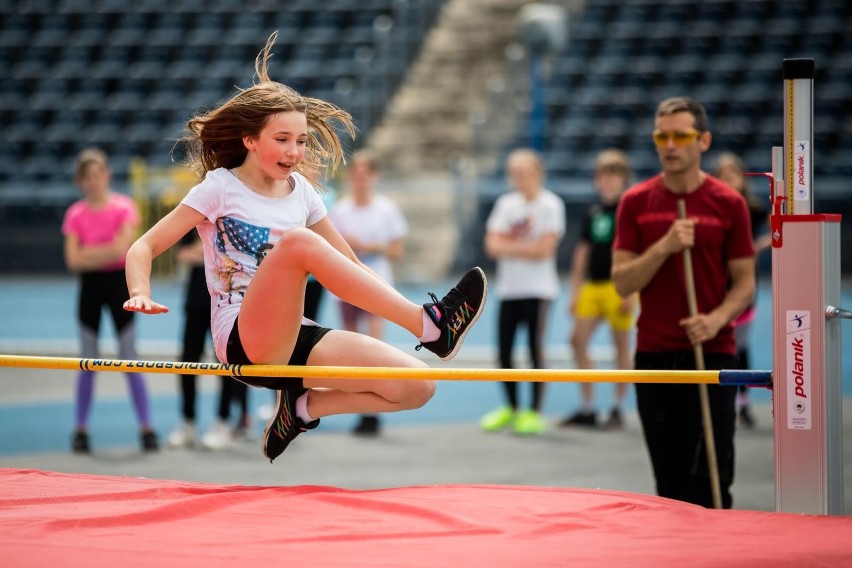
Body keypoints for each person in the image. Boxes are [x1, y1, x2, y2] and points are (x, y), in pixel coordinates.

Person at [123, 32, 487, 463]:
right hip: (243, 337)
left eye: (300, 140)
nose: (294, 151)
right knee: (298, 244)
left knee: (417, 386)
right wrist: (140, 291)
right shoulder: (220, 187)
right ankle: (430, 326)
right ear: (249, 140)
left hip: (294, 333)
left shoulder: (304, 194)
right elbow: (143, 247)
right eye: (282, 139)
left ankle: (300, 408)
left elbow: (349, 268)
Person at [611, 96, 755, 508]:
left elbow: (745, 284)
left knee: (712, 479)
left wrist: (717, 319)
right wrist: (665, 246)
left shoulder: (728, 204)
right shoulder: (635, 202)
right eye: (662, 136)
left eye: (680, 136)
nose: (669, 145)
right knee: (669, 485)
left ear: (703, 140)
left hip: (713, 353)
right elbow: (623, 283)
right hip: (655, 355)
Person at [62, 147, 159, 454]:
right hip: (90, 288)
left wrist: (90, 254)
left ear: (106, 175)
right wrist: (102, 253)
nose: (94, 181)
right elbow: (72, 260)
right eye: (87, 177)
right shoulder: (75, 213)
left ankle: (146, 428)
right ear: (81, 180)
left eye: (98, 174)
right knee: (87, 358)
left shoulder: (124, 207)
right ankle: (80, 429)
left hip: (120, 286)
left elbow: (121, 251)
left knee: (130, 356)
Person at [479, 148, 565, 436]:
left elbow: (544, 250)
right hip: (509, 289)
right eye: (514, 173)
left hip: (539, 290)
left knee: (534, 351)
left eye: (523, 172)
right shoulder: (506, 204)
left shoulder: (550, 205)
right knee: (504, 352)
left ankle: (534, 411)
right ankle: (512, 408)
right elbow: (492, 246)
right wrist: (524, 247)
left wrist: (509, 245)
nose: (518, 178)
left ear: (537, 173)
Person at [329, 151, 409, 436]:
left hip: (376, 285)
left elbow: (397, 251)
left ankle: (374, 410)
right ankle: (360, 409)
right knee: (352, 353)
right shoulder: (340, 209)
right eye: (356, 175)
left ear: (374, 177)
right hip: (346, 285)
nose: (360, 180)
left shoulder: (386, 210)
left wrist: (369, 247)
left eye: (365, 175)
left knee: (375, 350)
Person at [560, 149, 636, 431]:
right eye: (603, 175)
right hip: (594, 285)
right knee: (577, 340)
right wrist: (574, 290)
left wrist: (630, 290)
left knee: (621, 346)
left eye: (614, 175)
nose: (608, 180)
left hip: (620, 286)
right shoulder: (593, 212)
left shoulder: (629, 209)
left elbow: (637, 250)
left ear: (623, 179)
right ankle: (588, 407)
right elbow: (583, 252)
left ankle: (617, 408)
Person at [167, 230, 251, 450]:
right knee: (187, 362)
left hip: (226, 304)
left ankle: (222, 421)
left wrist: (206, 252)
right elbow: (182, 254)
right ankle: (188, 421)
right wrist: (211, 251)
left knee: (226, 364)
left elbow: (235, 258)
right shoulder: (194, 219)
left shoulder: (231, 221)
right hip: (195, 303)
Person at [713, 152, 771, 429]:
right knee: (719, 343)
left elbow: (776, 229)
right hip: (716, 282)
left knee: (741, 346)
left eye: (732, 176)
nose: (727, 181)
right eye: (722, 177)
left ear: (741, 179)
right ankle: (719, 401)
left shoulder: (754, 208)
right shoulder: (713, 207)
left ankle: (743, 403)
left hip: (743, 283)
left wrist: (755, 247)